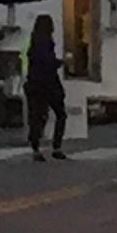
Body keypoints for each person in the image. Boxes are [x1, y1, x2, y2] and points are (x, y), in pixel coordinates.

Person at [23, 15, 67, 161]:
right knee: (60, 114)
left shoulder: (33, 42)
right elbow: (48, 63)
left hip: (34, 83)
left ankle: (36, 148)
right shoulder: (47, 42)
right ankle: (56, 146)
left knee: (37, 116)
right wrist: (59, 62)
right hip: (48, 83)